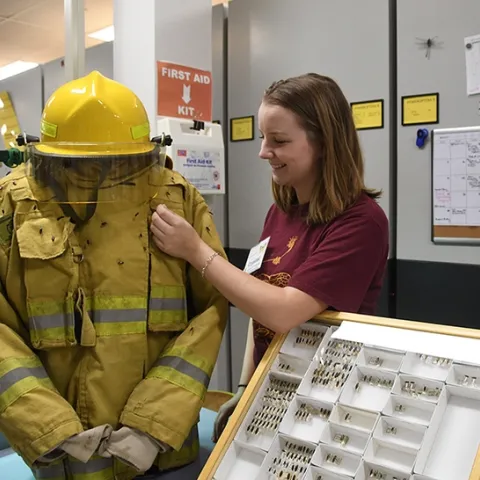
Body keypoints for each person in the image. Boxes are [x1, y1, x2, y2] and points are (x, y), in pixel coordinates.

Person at [0, 71, 228, 479]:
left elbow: (212, 308)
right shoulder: (12, 205)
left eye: (119, 162)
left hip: (165, 458)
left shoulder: (177, 199)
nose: (103, 172)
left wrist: (155, 424)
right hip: (60, 463)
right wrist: (47, 428)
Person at [150, 73, 389, 442]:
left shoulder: (362, 222)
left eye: (278, 141)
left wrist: (196, 250)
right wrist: (246, 387)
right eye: (264, 138)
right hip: (274, 392)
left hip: (327, 405)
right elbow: (258, 305)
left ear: (324, 142)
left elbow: (283, 310)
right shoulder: (281, 211)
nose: (263, 152)